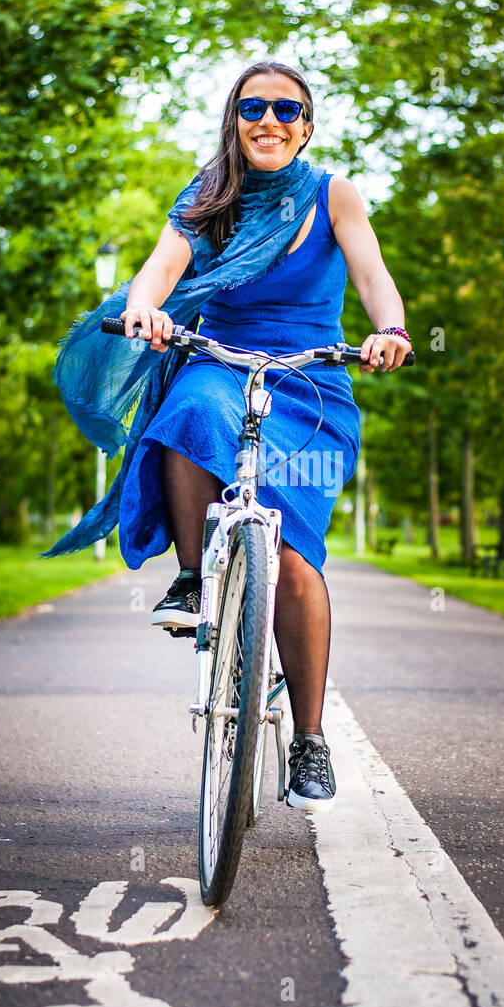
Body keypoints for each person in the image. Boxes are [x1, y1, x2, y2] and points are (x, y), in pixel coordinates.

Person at [116, 60, 412, 811]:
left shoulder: (331, 193)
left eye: (287, 109)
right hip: (224, 358)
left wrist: (390, 329)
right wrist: (145, 309)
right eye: (254, 107)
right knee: (190, 409)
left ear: (306, 126)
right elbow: (159, 268)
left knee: (293, 559)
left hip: (311, 381)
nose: (269, 120)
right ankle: (190, 575)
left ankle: (309, 743)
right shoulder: (208, 196)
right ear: (235, 119)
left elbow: (372, 274)